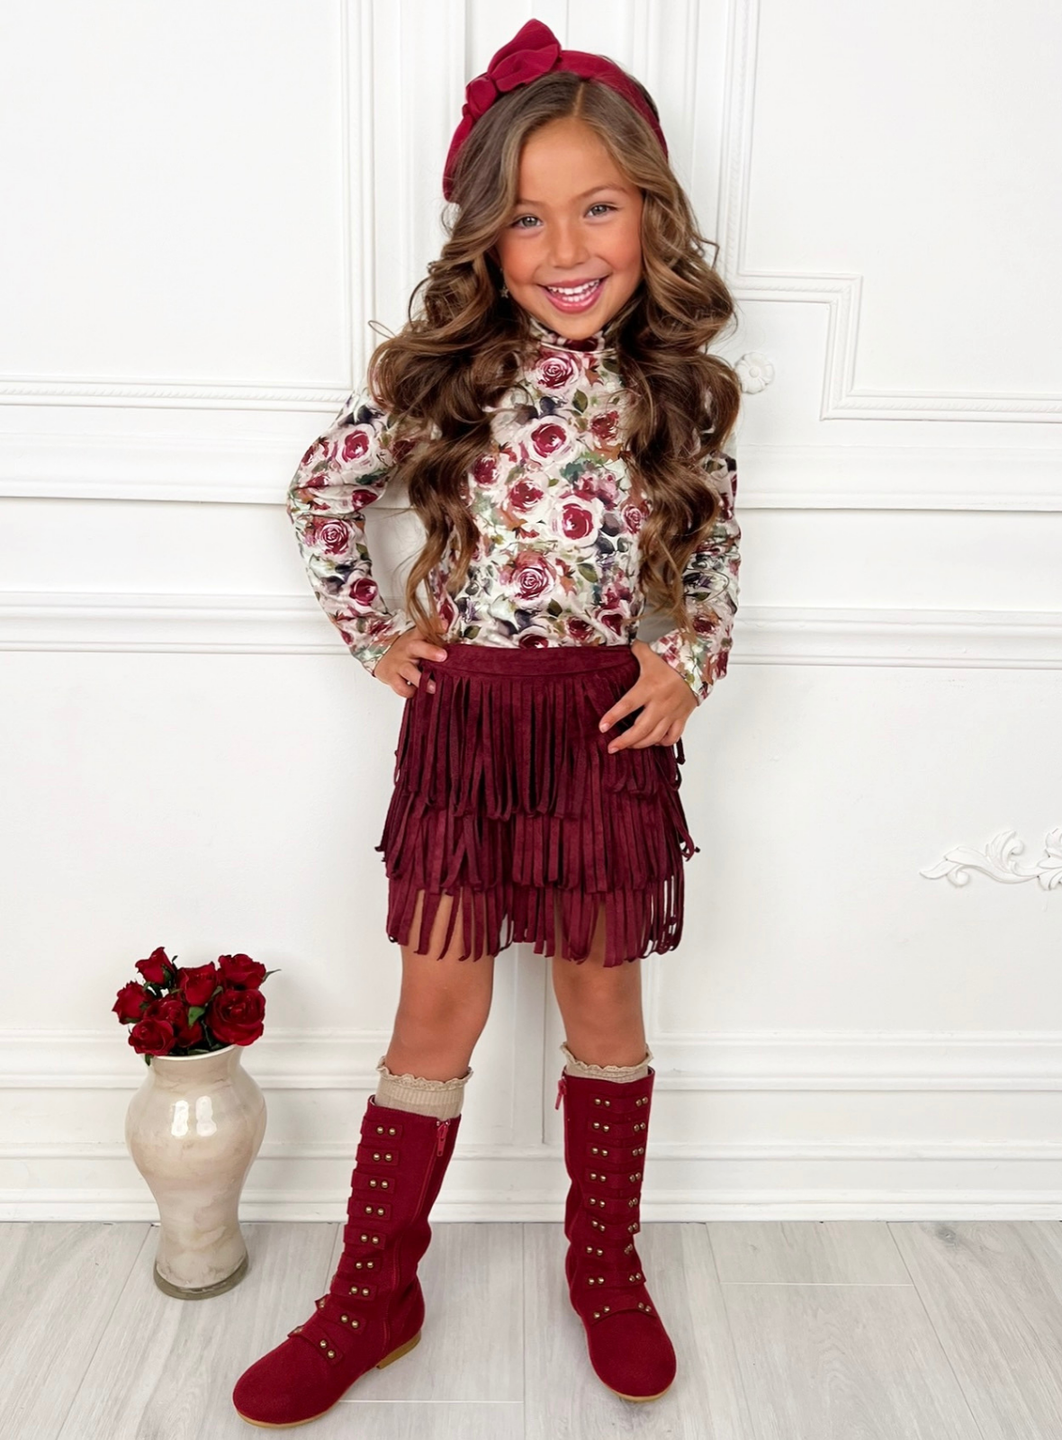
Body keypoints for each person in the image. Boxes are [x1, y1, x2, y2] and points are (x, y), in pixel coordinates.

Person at [233, 16, 741, 1426]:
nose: (567, 247)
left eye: (599, 208)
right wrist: (375, 634)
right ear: (485, 240)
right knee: (435, 1008)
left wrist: (688, 660)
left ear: (650, 215)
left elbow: (711, 559)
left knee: (604, 999)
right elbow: (319, 494)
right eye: (527, 218)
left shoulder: (673, 394)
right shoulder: (446, 384)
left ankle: (605, 1267)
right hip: (465, 732)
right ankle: (370, 1295)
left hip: (605, 735)